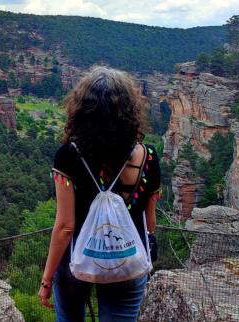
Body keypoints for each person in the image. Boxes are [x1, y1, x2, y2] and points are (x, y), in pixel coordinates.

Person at [38, 66, 161, 321]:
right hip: (127, 262)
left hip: (75, 262)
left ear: (82, 110)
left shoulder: (68, 156)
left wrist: (47, 279)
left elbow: (65, 227)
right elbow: (150, 224)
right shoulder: (148, 157)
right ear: (130, 112)